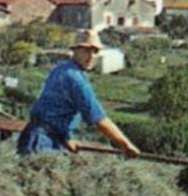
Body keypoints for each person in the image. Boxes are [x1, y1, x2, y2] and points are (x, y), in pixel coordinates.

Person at [16, 30, 141, 158]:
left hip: (36, 136)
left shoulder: (61, 68)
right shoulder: (75, 79)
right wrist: (126, 145)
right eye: (86, 50)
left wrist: (66, 138)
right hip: (42, 143)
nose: (91, 56)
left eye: (95, 51)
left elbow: (53, 109)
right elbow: (98, 118)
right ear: (75, 51)